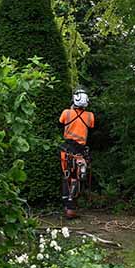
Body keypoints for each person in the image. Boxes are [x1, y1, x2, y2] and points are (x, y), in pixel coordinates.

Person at [59, 88, 95, 219]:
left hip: (67, 149)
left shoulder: (66, 113)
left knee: (66, 175)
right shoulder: (90, 116)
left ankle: (67, 206)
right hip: (80, 150)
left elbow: (61, 121)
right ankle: (71, 207)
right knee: (77, 177)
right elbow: (91, 126)